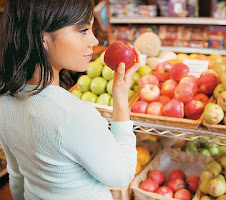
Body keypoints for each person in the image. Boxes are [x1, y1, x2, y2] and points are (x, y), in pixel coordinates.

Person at [0, 0, 141, 199]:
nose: (94, 41)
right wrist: (121, 100)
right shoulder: (73, 115)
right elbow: (122, 175)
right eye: (83, 30)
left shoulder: (4, 99)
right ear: (43, 38)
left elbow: (17, 176)